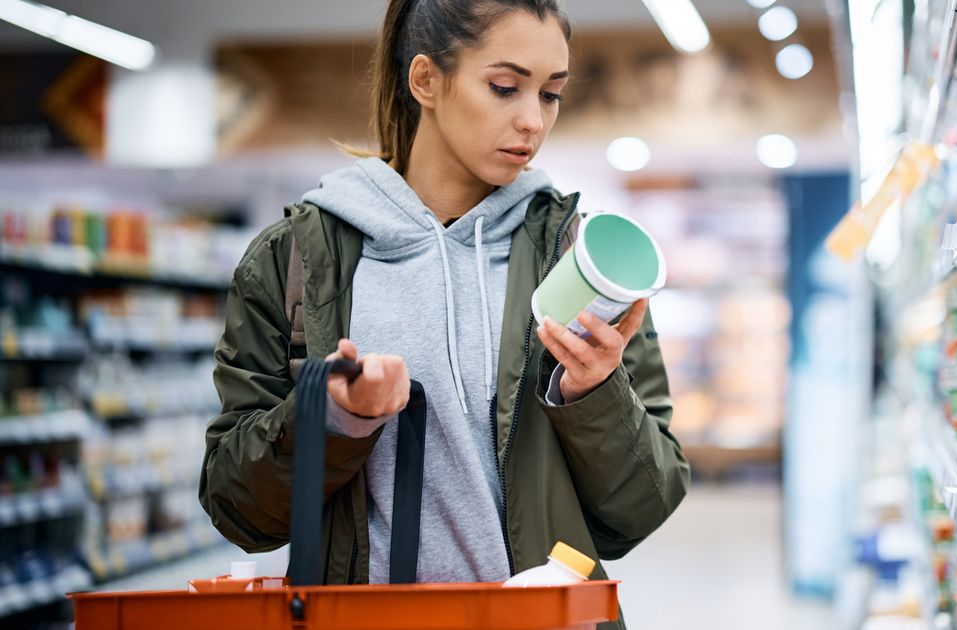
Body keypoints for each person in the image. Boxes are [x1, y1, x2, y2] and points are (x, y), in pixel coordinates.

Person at [198, 1, 690, 627]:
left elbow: (642, 508)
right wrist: (336, 419)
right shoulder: (294, 260)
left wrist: (594, 393)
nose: (532, 120)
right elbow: (238, 509)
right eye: (505, 87)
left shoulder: (578, 260)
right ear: (426, 80)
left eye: (552, 94)